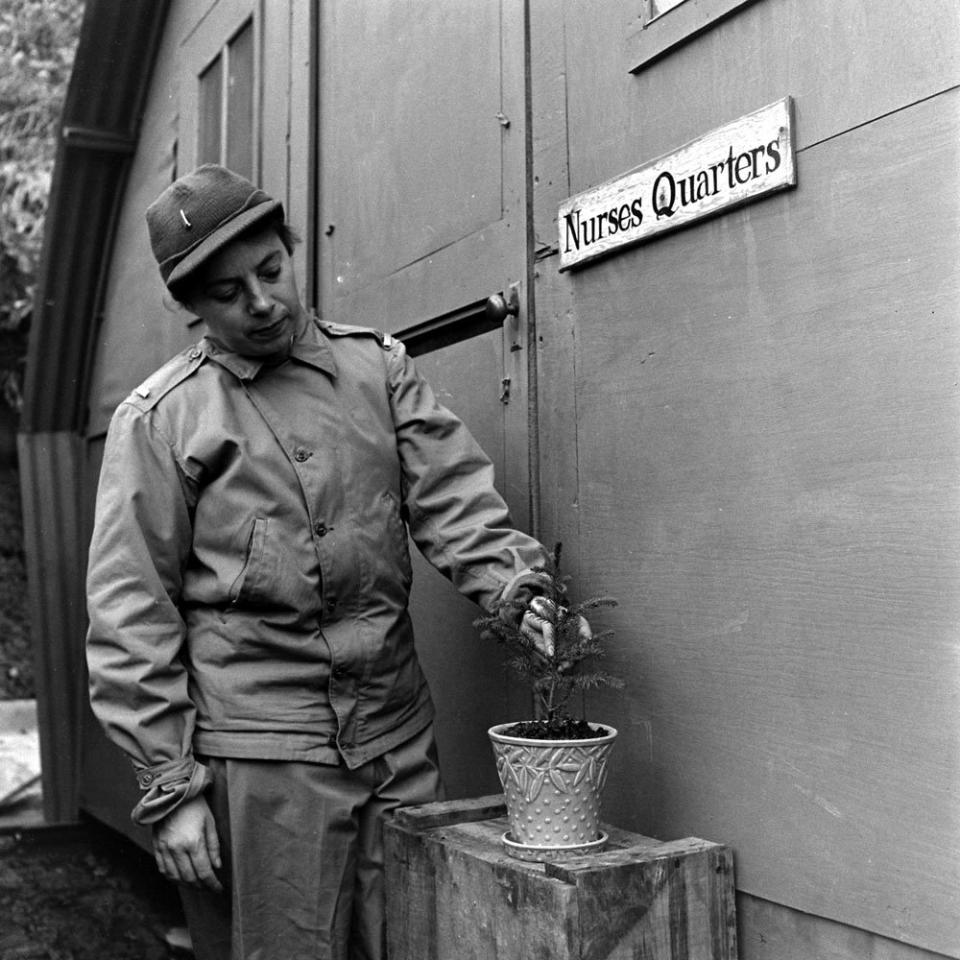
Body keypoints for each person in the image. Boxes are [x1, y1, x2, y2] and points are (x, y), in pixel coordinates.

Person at [85, 164, 585, 960]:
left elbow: (452, 497)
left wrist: (516, 587)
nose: (261, 302)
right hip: (260, 759)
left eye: (271, 271)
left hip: (395, 736)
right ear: (193, 308)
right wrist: (171, 787)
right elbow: (129, 612)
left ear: (290, 252)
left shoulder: (376, 370)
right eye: (226, 292)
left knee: (417, 938)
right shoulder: (162, 421)